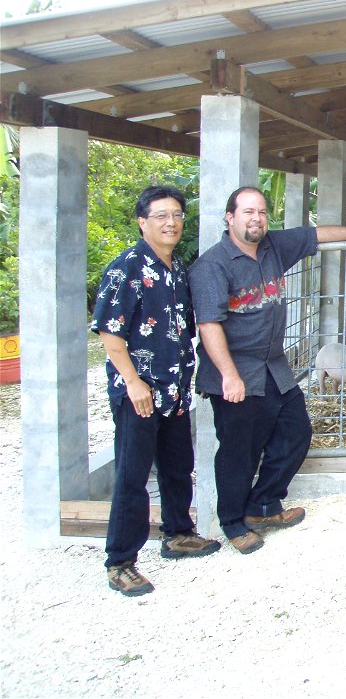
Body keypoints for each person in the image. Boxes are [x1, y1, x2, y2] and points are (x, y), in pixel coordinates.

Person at [190, 187, 346, 554]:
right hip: (235, 371)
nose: (257, 219)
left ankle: (263, 506)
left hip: (274, 367)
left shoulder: (273, 247)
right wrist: (229, 376)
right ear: (229, 217)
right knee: (238, 451)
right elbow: (209, 325)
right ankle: (232, 522)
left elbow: (315, 234)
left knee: (296, 433)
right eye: (248, 211)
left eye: (262, 212)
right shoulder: (212, 266)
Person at [91, 185, 221, 597]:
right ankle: (120, 561)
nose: (171, 222)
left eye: (177, 214)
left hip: (174, 390)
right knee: (132, 475)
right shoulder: (126, 267)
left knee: (177, 465)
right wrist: (133, 382)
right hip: (140, 394)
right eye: (161, 215)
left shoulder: (176, 267)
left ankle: (178, 533)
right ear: (142, 221)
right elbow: (110, 336)